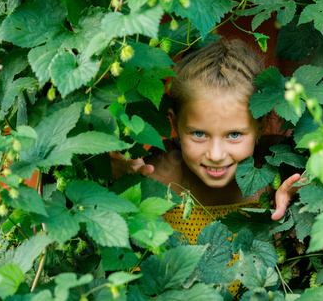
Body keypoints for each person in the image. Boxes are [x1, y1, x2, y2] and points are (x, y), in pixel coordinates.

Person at [110, 38, 304, 244]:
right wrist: (118, 181)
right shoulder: (159, 174)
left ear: (261, 125)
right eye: (199, 134)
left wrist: (299, 201)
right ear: (175, 123)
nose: (216, 155)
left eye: (234, 134)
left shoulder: (280, 169)